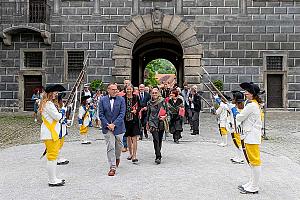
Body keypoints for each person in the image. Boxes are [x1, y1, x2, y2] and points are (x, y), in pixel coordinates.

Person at [232, 82, 263, 194]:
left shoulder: (251, 105)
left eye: (247, 92)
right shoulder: (253, 104)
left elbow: (240, 117)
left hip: (251, 136)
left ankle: (254, 186)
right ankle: (251, 182)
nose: (245, 93)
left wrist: (234, 110)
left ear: (252, 94)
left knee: (254, 161)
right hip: (250, 135)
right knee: (250, 161)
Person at [39, 84, 66, 187]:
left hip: (51, 133)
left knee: (53, 156)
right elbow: (57, 117)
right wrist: (63, 111)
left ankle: (53, 178)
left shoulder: (47, 103)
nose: (56, 94)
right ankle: (52, 180)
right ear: (50, 93)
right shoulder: (49, 104)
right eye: (55, 92)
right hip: (50, 133)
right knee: (52, 157)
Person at [99, 83, 126, 176]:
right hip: (107, 127)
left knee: (119, 146)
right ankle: (112, 166)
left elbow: (122, 114)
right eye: (113, 89)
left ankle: (117, 157)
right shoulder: (102, 100)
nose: (115, 91)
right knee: (110, 146)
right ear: (108, 90)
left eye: (116, 89)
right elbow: (101, 114)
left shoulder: (121, 100)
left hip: (118, 127)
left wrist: (114, 124)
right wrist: (108, 124)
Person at [146, 88, 168, 164]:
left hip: (160, 121)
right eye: (153, 93)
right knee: (155, 139)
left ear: (158, 93)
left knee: (159, 139)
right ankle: (158, 156)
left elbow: (167, 111)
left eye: (156, 93)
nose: (154, 94)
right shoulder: (149, 102)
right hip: (152, 122)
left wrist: (165, 117)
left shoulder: (163, 101)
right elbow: (148, 113)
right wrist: (147, 123)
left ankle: (158, 151)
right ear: (151, 94)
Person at [124, 85, 141, 163]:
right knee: (128, 137)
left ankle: (134, 155)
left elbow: (140, 107)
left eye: (130, 89)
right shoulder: (123, 98)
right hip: (126, 120)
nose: (129, 90)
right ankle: (130, 154)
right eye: (127, 89)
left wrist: (136, 111)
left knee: (134, 137)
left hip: (134, 120)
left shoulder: (136, 97)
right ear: (125, 90)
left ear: (132, 90)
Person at [229, 91, 245, 164]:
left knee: (239, 144)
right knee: (236, 143)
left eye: (234, 98)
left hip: (239, 128)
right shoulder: (234, 106)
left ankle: (241, 158)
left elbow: (238, 117)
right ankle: (238, 156)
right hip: (234, 127)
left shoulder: (241, 108)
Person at [55, 92, 69, 165]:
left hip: (63, 126)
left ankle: (59, 156)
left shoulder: (62, 105)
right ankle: (57, 158)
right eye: (61, 99)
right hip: (58, 127)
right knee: (58, 143)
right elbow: (58, 116)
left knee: (61, 143)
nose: (62, 100)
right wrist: (63, 110)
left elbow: (64, 116)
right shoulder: (55, 107)